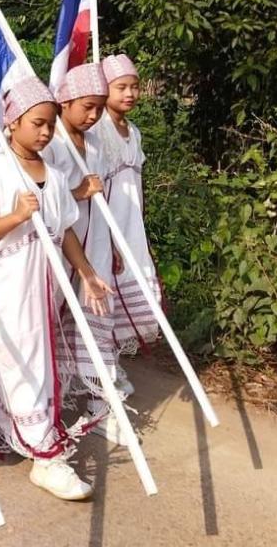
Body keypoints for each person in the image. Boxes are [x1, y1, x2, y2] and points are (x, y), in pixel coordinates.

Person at [0, 73, 111, 502]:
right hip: (8, 285)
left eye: (49, 124)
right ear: (13, 123)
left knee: (27, 356)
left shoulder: (57, 178)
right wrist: (16, 217)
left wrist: (86, 273)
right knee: (22, 357)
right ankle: (45, 453)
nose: (44, 132)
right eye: (35, 123)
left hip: (45, 285)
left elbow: (66, 231)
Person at [44, 63, 132, 446]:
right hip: (58, 245)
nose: (93, 115)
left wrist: (112, 243)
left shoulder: (94, 143)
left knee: (95, 319)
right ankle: (34, 403)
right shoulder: (52, 142)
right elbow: (47, 198)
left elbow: (106, 197)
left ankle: (100, 401)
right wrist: (77, 193)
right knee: (49, 319)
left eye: (98, 107)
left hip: (92, 242)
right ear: (64, 102)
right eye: (86, 106)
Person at [95, 54, 163, 373]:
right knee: (104, 299)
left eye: (134, 87)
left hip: (132, 226)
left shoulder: (133, 131)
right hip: (106, 227)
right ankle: (104, 374)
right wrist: (106, 239)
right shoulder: (98, 131)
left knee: (131, 297)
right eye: (121, 86)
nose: (130, 94)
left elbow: (137, 182)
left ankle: (111, 367)